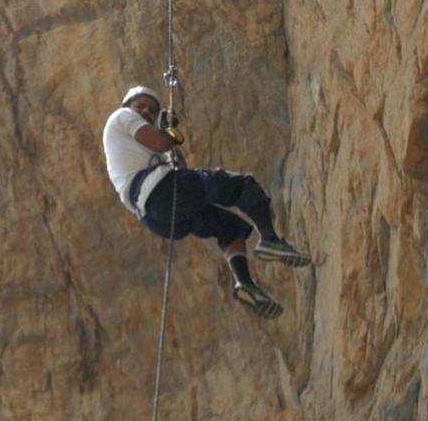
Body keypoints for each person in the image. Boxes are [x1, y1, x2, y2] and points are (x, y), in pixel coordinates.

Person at [102, 85, 310, 318]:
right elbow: (163, 142)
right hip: (159, 192)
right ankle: (271, 240)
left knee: (229, 229)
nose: (146, 112)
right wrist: (169, 133)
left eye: (152, 110)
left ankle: (245, 284)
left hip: (158, 215)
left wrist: (169, 141)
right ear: (128, 106)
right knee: (241, 185)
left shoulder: (142, 151)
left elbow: (178, 166)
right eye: (140, 106)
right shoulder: (122, 117)